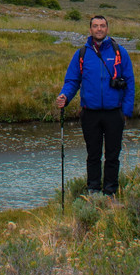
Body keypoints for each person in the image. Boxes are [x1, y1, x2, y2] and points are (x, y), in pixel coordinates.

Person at [55, 15, 135, 196]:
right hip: (90, 113)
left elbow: (130, 82)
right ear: (90, 29)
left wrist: (126, 111)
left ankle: (110, 192)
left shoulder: (119, 52)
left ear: (107, 29)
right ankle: (93, 191)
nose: (99, 29)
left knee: (113, 155)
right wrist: (65, 96)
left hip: (114, 112)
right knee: (93, 155)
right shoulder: (81, 54)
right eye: (96, 26)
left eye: (102, 26)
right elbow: (72, 81)